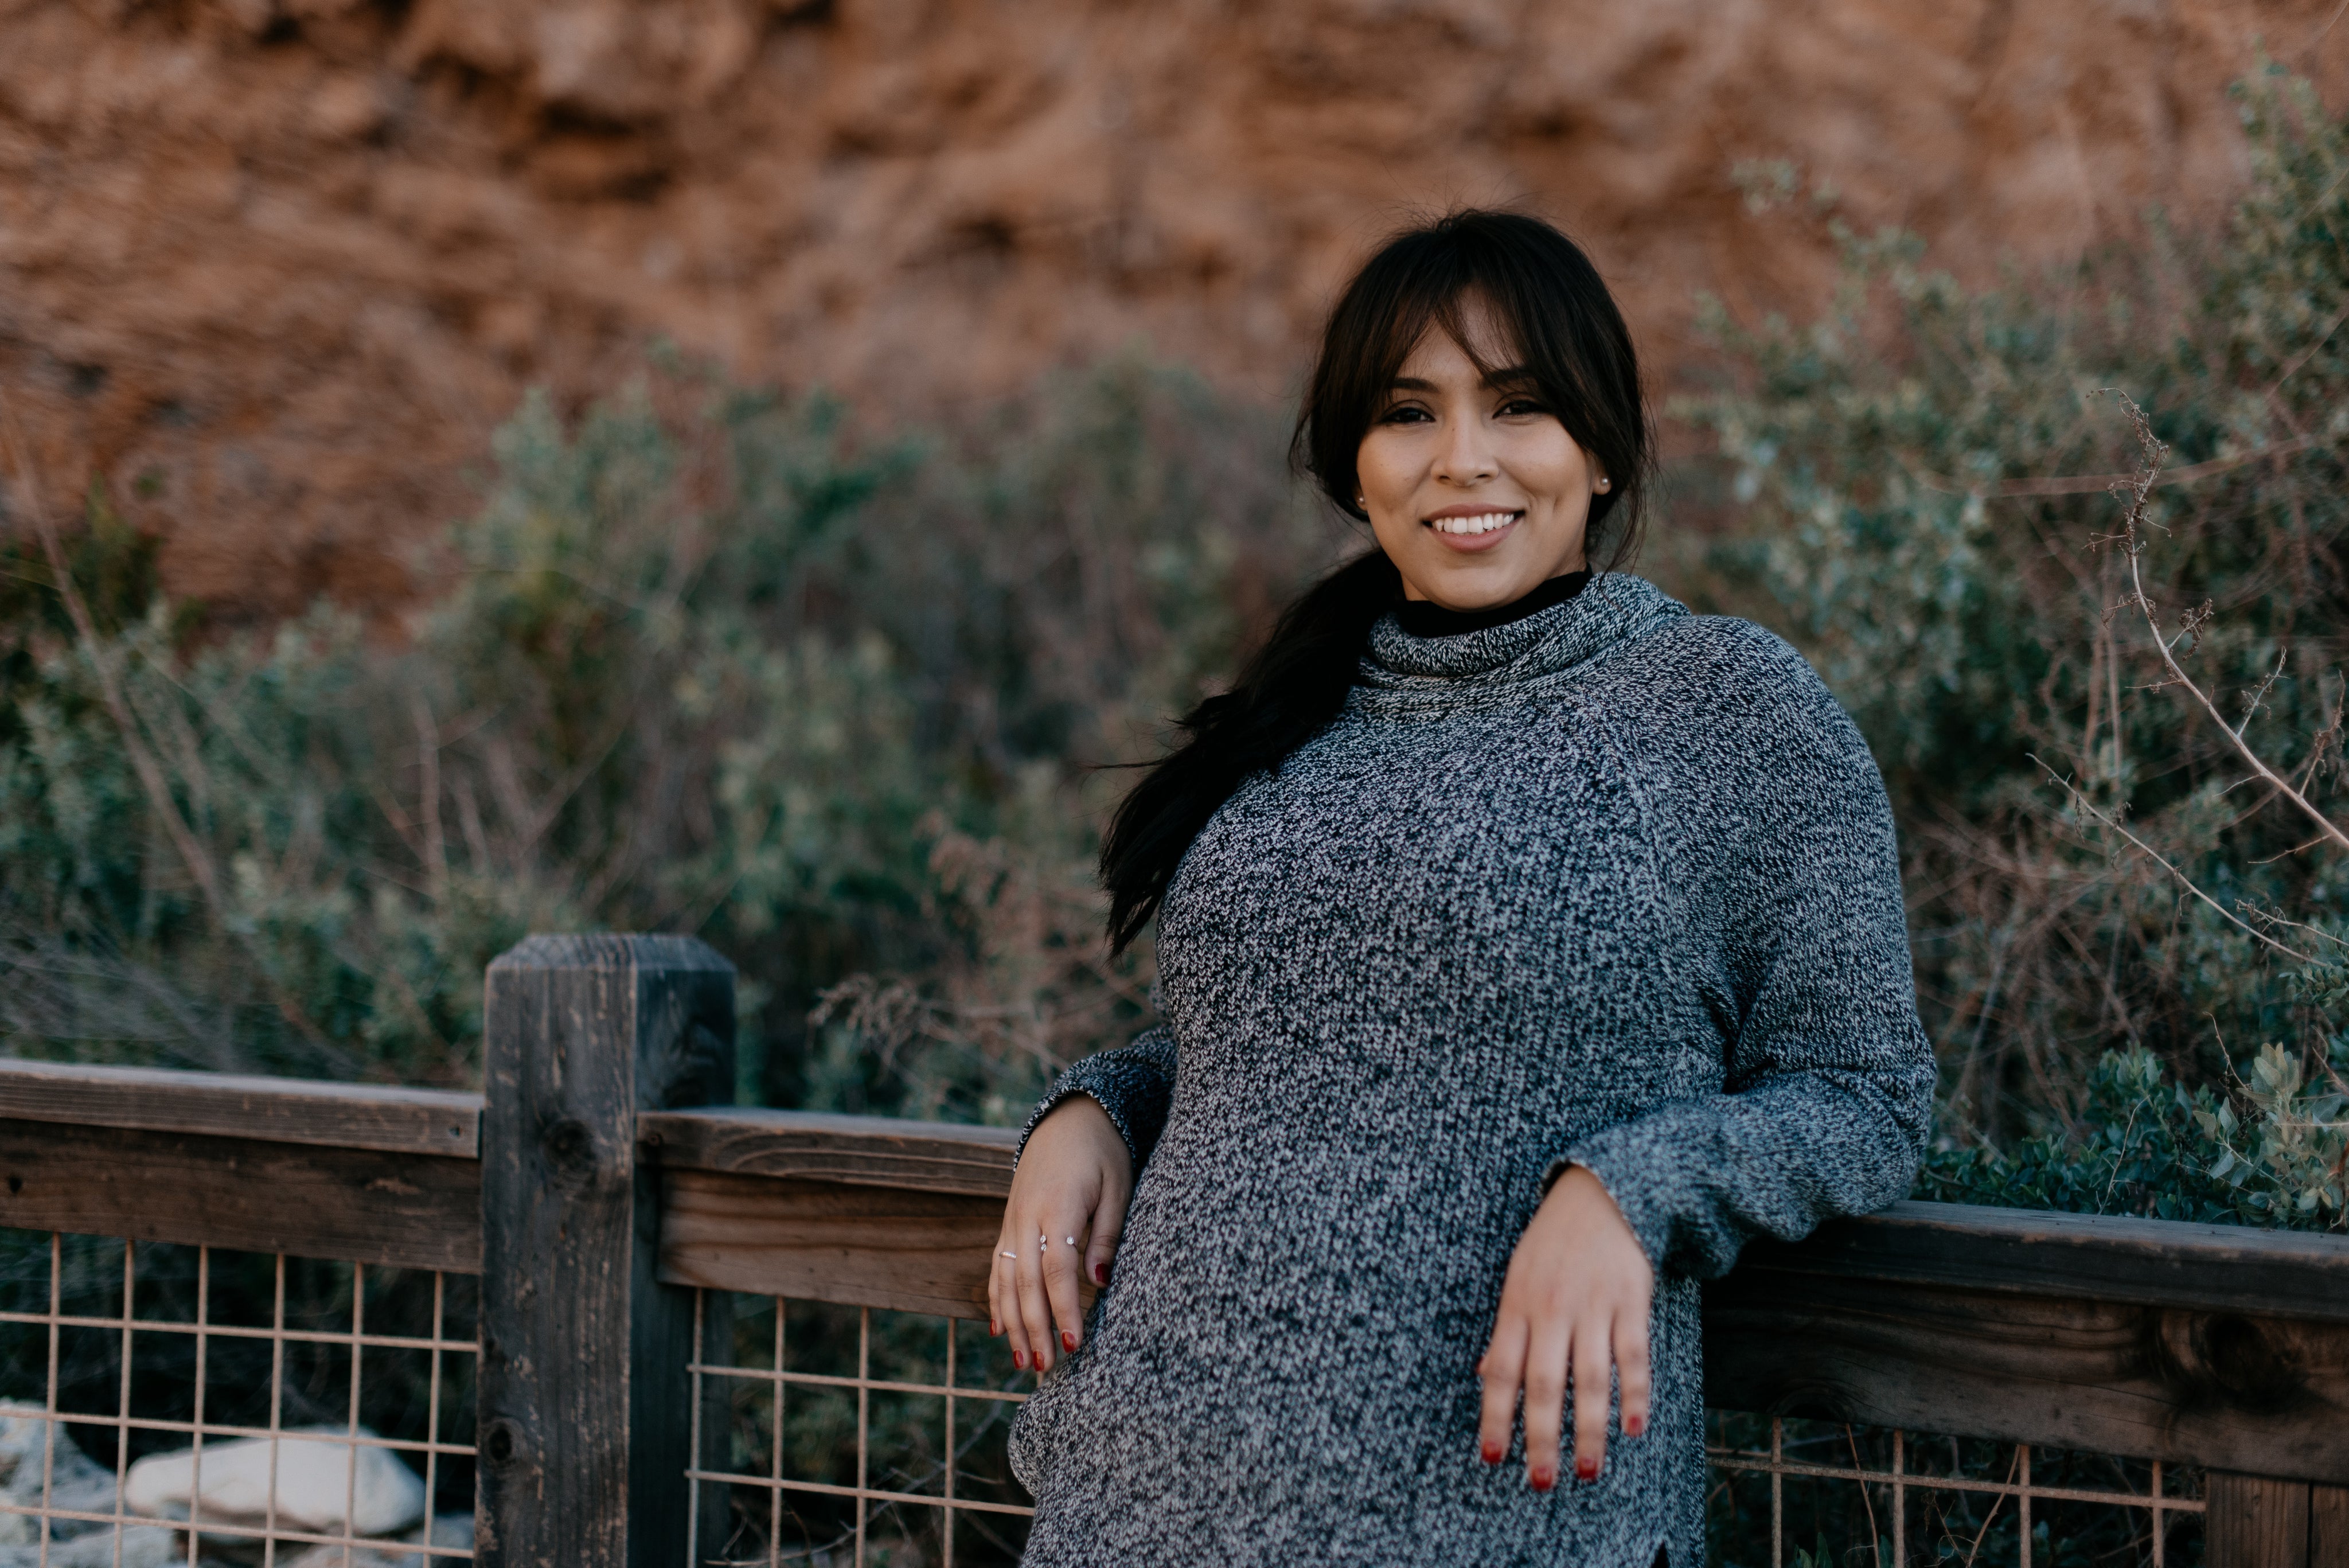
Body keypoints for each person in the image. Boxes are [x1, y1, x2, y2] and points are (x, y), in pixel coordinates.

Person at [988, 209, 1934, 1567]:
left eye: (1518, 404)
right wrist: (1105, 1103)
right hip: (1142, 1501)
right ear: (1353, 465)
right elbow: (1294, 1042)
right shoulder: (1296, 714)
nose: (1461, 458)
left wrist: (1627, 1188)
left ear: (1600, 447)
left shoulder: (1720, 708)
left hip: (1506, 1522)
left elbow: (1864, 1094)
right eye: (1407, 413)